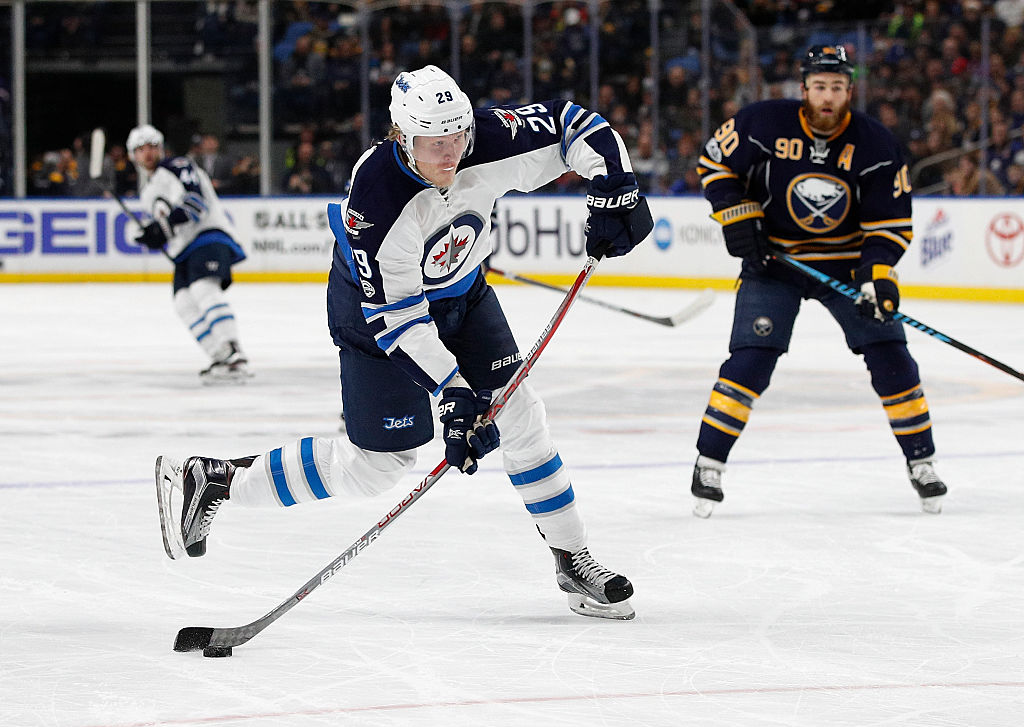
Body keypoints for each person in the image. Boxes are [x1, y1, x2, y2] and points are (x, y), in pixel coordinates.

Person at [155, 65, 653, 620]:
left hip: (463, 295)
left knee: (521, 416)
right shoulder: (378, 196)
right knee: (378, 466)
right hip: (376, 319)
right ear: (402, 136)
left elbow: (572, 124)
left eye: (457, 138)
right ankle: (218, 480)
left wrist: (617, 188)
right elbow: (399, 319)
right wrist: (454, 392)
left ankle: (572, 558)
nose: (450, 155)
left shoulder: (485, 140)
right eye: (433, 144)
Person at [691, 45, 948, 518]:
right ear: (804, 88)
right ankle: (709, 463)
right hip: (776, 264)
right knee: (751, 360)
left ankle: (922, 462)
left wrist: (877, 278)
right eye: (819, 87)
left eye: (837, 88)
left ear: (850, 90)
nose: (828, 97)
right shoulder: (764, 123)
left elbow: (888, 223)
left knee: (891, 356)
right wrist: (738, 216)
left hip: (846, 266)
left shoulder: (875, 143)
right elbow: (714, 164)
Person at [127, 124, 252, 383]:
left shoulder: (177, 166)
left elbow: (195, 203)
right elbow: (166, 227)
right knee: (183, 302)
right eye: (141, 149)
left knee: (203, 290)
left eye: (152, 147)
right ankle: (220, 357)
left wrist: (161, 228)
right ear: (133, 156)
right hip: (185, 249)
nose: (148, 153)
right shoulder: (147, 192)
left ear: (161, 148)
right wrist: (152, 234)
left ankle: (234, 352)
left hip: (208, 235)